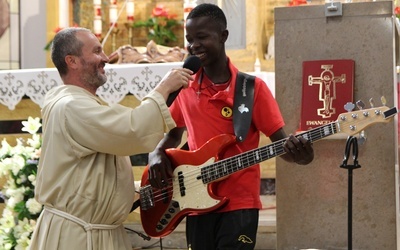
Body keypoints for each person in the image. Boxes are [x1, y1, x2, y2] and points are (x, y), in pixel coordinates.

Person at [147, 3, 314, 250]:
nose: (193, 46)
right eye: (189, 39)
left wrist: (301, 154)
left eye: (202, 37)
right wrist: (156, 153)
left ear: (223, 36)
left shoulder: (252, 89)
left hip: (240, 203)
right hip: (195, 200)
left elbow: (281, 143)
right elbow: (173, 135)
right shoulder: (185, 87)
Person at [29, 27, 193, 250]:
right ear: (72, 61)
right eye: (97, 51)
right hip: (77, 237)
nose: (106, 58)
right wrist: (163, 88)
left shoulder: (81, 103)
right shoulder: (71, 107)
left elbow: (93, 173)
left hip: (99, 232)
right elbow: (132, 130)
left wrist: (141, 189)